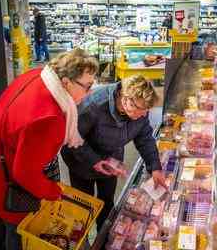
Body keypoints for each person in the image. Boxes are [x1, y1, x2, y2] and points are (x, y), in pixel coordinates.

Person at [0, 48, 98, 250]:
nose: (90, 92)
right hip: (2, 172)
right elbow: (25, 174)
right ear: (66, 82)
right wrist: (53, 192)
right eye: (87, 86)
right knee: (17, 223)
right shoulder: (49, 118)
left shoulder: (38, 76)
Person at [61, 75, 167, 231]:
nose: (144, 115)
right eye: (140, 110)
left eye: (147, 110)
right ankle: (81, 240)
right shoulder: (94, 105)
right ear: (125, 99)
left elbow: (144, 138)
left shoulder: (140, 109)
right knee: (83, 206)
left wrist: (155, 167)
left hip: (111, 161)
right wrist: (95, 161)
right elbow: (71, 138)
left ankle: (102, 238)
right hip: (81, 162)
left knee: (106, 202)